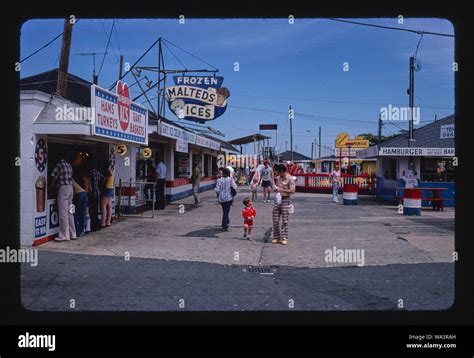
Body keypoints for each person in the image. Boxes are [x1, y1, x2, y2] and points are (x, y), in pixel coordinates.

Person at [48, 152, 76, 241]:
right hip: (70, 189)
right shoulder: (69, 165)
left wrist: (49, 188)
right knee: (70, 212)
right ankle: (73, 234)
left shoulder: (60, 164)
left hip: (63, 189)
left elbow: (54, 177)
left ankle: (64, 235)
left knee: (63, 213)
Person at [271, 164, 296, 245]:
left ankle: (284, 237)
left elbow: (292, 190)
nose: (277, 173)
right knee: (275, 218)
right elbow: (276, 188)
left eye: (278, 172)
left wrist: (281, 189)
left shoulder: (290, 178)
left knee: (285, 219)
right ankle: (276, 237)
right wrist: (276, 189)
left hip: (286, 199)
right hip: (278, 198)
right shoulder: (278, 178)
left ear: (282, 171)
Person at [215, 167, 237, 231]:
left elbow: (217, 190)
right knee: (226, 211)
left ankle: (226, 222)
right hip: (228, 197)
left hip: (221, 198)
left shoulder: (219, 180)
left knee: (225, 211)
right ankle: (224, 225)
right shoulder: (230, 179)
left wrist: (219, 193)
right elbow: (235, 187)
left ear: (223, 173)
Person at [87, 158, 104, 232]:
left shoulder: (90, 173)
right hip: (97, 192)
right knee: (96, 210)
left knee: (92, 210)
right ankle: (97, 225)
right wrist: (99, 184)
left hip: (92, 193)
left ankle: (93, 226)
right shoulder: (98, 172)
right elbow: (103, 178)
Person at [72, 170, 90, 237]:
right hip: (84, 193)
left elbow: (71, 193)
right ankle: (82, 230)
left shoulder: (69, 180)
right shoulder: (76, 180)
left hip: (77, 195)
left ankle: (77, 231)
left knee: (73, 213)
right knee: (82, 213)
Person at [100, 163, 114, 228]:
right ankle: (108, 221)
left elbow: (103, 181)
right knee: (109, 206)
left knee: (103, 206)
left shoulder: (107, 173)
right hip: (111, 188)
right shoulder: (112, 173)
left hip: (106, 188)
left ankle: (103, 222)